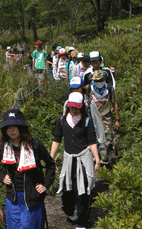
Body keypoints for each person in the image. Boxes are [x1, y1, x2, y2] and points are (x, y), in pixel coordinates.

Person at [0, 109, 56, 229]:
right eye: (8, 127)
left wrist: (46, 184)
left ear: (21, 127)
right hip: (12, 198)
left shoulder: (34, 145)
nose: (12, 130)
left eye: (15, 126)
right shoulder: (2, 147)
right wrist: (1, 176)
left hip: (32, 198)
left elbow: (51, 165)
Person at [50, 92, 100, 229]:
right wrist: (51, 159)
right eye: (72, 107)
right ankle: (70, 211)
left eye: (77, 108)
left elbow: (91, 142)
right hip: (68, 160)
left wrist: (97, 160)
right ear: (68, 106)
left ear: (81, 107)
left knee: (83, 191)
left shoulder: (86, 121)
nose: (74, 110)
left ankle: (82, 221)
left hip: (83, 159)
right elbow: (56, 140)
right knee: (67, 190)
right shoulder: (62, 121)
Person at [87, 70, 120, 165]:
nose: (98, 83)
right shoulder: (91, 88)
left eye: (99, 80)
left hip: (106, 117)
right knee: (94, 139)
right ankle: (96, 159)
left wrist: (117, 120)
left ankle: (106, 159)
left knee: (107, 139)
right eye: (95, 81)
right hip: (94, 118)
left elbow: (114, 104)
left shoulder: (109, 89)